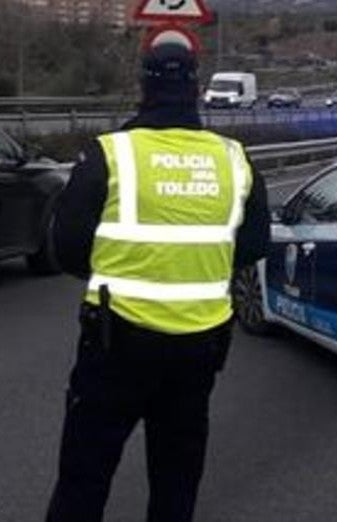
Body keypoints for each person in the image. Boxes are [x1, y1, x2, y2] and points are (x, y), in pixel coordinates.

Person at [45, 42, 272, 522]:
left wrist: (121, 267)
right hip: (199, 347)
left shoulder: (110, 154)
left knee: (85, 477)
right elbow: (254, 245)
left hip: (117, 342)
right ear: (195, 88)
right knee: (176, 481)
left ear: (143, 86)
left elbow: (65, 247)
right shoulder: (235, 159)